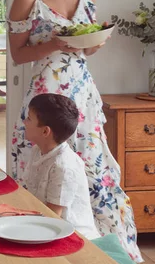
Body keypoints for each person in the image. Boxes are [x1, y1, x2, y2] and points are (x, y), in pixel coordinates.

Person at [7, 0, 142, 261]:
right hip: (46, 94)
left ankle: (111, 252)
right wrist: (53, 44)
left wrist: (97, 41)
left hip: (82, 93)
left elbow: (88, 49)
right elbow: (18, 55)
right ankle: (37, 248)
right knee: (42, 170)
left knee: (95, 170)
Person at [23, 94, 100, 240]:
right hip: (43, 222)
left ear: (45, 131)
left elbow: (54, 216)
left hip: (73, 236)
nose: (24, 121)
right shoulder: (37, 150)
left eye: (29, 118)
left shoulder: (62, 166)